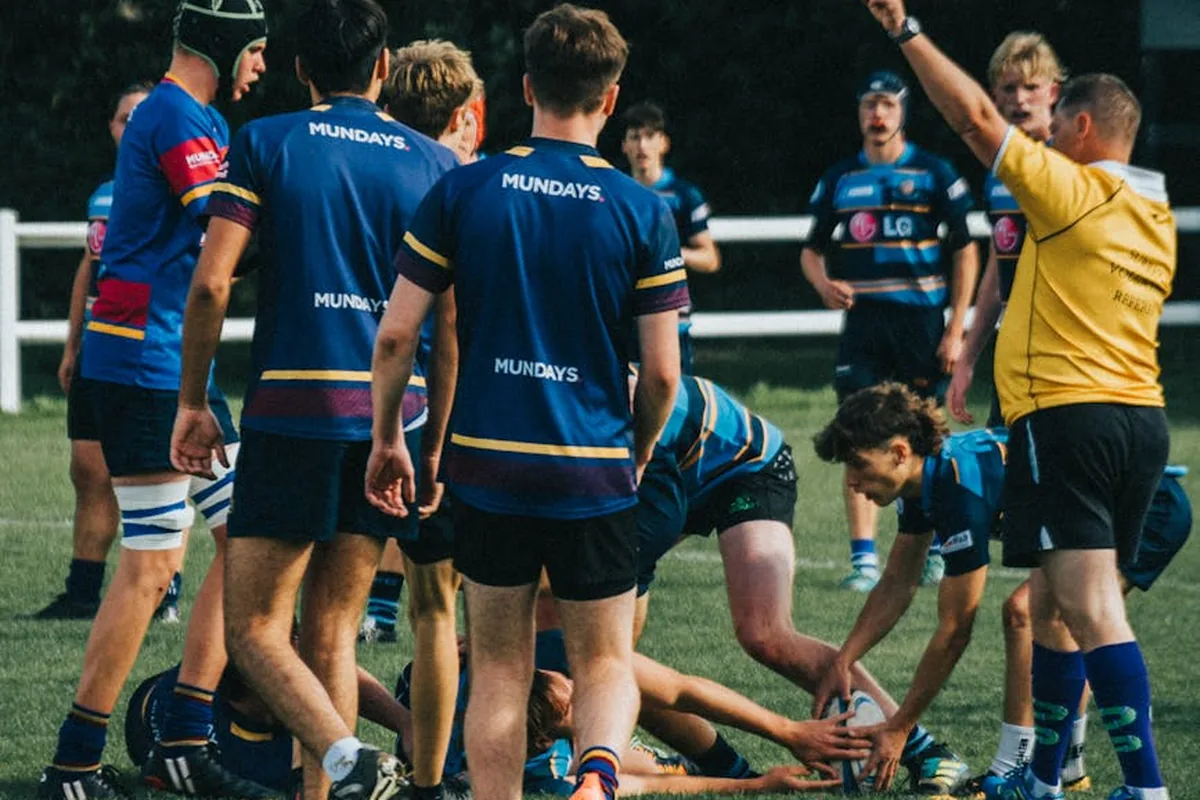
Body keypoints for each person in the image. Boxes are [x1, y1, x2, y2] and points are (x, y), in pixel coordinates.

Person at [365, 6, 687, 800]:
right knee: (603, 660)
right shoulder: (642, 209)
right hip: (593, 465)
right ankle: (598, 778)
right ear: (610, 99)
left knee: (501, 666)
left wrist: (388, 435)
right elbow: (662, 375)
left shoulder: (464, 188)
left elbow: (397, 335)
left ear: (526, 87)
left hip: (490, 467)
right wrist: (641, 445)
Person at [864, 3, 1177, 800]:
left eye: (1059, 120)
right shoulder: (1155, 215)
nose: (1048, 133)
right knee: (1057, 610)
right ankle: (1043, 777)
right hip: (1142, 420)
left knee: (1090, 608)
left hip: (1070, 419)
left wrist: (905, 30)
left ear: (1081, 128)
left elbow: (973, 118)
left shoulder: (1070, 192)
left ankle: (1144, 787)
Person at [168, 1, 457, 799]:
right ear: (384, 65)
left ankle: (345, 758)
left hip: (293, 412)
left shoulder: (265, 141)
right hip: (393, 419)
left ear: (299, 69)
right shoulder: (434, 163)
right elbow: (450, 324)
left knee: (253, 629)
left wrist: (192, 401)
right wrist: (435, 443)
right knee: (332, 630)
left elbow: (212, 283)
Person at [37, 2, 268, 798]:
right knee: (154, 563)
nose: (261, 65)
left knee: (249, 536)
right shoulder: (174, 115)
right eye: (255, 49)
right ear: (225, 44)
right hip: (146, 365)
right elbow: (226, 232)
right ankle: (74, 763)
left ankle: (183, 738)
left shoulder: (196, 116)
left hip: (169, 362)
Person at [634, 372, 970, 796]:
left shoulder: (600, 412)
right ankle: (728, 770)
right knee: (608, 654)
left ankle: (927, 752)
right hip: (678, 469)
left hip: (746, 465)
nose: (851, 483)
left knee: (765, 635)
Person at [800, 69, 979, 593]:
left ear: (903, 112)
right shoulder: (840, 178)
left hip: (921, 324)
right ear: (859, 112)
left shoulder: (934, 173)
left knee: (928, 437)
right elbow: (811, 250)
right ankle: (863, 562)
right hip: (865, 326)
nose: (877, 114)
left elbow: (966, 250)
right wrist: (823, 284)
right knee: (856, 434)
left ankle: (938, 550)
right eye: (869, 105)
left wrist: (957, 327)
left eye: (888, 105)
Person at [363, 37, 484, 800]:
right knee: (442, 609)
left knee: (326, 610)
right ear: (464, 112)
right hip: (440, 413)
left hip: (354, 401)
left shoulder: (359, 166)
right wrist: (438, 440)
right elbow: (455, 323)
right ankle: (435, 777)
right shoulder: (462, 185)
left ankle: (328, 769)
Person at [392, 630, 855, 797]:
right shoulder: (540, 774)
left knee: (623, 682)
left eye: (563, 681)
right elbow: (646, 786)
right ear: (546, 741)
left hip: (477, 681)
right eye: (573, 706)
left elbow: (680, 689)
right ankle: (708, 765)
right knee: (638, 761)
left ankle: (732, 761)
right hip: (486, 748)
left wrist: (788, 731)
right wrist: (755, 787)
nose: (576, 688)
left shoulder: (465, 666)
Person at [963, 466, 1191, 797]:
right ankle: (1054, 774)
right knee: (1051, 615)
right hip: (1091, 500)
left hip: (1143, 503)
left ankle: (1025, 767)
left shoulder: (964, 465)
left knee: (1054, 614)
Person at [34, 82, 154, 622]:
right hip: (96, 350)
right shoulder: (104, 195)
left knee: (145, 475)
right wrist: (71, 346)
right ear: (111, 127)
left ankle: (164, 589)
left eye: (143, 118)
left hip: (142, 352)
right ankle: (82, 591)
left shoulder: (169, 185)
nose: (133, 127)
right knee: (88, 469)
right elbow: (90, 269)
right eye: (125, 118)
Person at [945, 33, 1064, 428]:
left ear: (1053, 92)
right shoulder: (999, 172)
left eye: (1031, 87)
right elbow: (1001, 262)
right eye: (1009, 89)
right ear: (994, 97)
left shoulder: (1073, 160)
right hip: (1015, 343)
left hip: (1066, 345)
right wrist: (968, 356)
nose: (1020, 100)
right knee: (1004, 454)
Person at [125, 654, 416, 796]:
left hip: (165, 696)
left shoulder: (205, 673)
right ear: (260, 687)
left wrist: (405, 723)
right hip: (154, 720)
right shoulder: (252, 759)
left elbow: (326, 660)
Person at [621, 101, 721, 373]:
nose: (642, 146)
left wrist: (669, 253)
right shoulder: (616, 194)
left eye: (649, 136)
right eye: (635, 137)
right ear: (625, 146)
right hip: (625, 319)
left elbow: (710, 259)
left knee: (672, 397)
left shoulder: (683, 196)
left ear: (663, 143)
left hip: (671, 319)